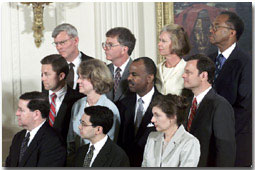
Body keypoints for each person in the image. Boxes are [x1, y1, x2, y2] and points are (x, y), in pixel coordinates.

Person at [208, 11, 252, 167]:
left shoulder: (246, 63)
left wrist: (221, 132)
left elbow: (245, 107)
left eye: (216, 26)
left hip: (234, 141)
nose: (211, 30)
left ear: (232, 32)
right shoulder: (208, 59)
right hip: (208, 141)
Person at [182, 54, 236, 166]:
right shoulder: (186, 103)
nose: (183, 75)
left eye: (188, 72)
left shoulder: (220, 105)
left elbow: (225, 152)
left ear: (203, 76)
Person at [67, 59, 120, 164]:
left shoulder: (110, 109)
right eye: (79, 77)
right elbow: (70, 141)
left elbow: (108, 146)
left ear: (96, 80)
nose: (78, 81)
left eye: (82, 78)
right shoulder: (77, 105)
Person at [117, 57, 160, 167]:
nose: (129, 78)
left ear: (149, 78)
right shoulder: (122, 105)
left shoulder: (164, 105)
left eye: (134, 74)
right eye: (129, 74)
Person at [5, 91, 66, 167]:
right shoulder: (18, 137)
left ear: (36, 114)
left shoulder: (53, 141)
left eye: (21, 110)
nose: (17, 113)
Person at [142, 94, 200, 167]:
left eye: (157, 115)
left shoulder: (190, 142)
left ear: (172, 117)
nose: (152, 120)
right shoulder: (152, 137)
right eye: (153, 115)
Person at [41, 54, 83, 142]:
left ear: (61, 76)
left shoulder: (79, 99)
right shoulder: (39, 99)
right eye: (42, 74)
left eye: (47, 74)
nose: (43, 78)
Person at [51, 23, 93, 91]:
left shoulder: (94, 65)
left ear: (76, 41)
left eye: (62, 42)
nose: (58, 47)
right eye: (56, 44)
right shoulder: (51, 68)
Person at [103, 27, 136, 103]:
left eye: (110, 45)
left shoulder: (137, 72)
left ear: (124, 49)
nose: (105, 48)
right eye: (105, 44)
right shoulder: (103, 71)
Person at [155, 24, 191, 96]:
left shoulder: (186, 69)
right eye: (159, 40)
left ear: (175, 43)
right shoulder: (157, 69)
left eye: (163, 41)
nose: (159, 44)